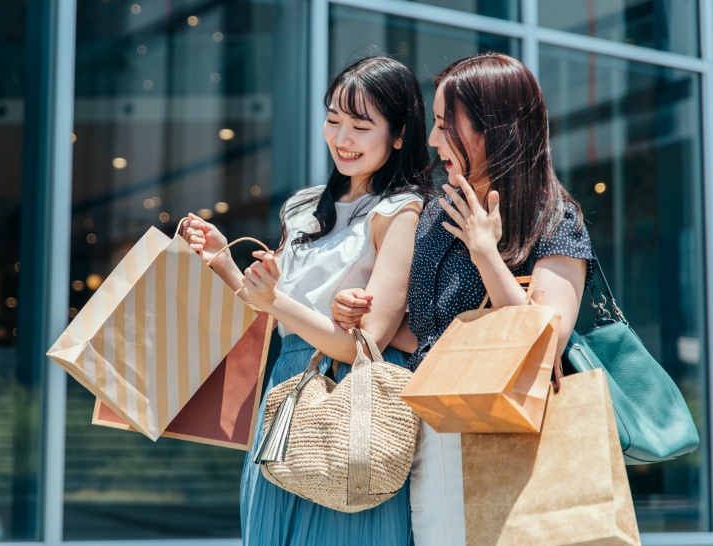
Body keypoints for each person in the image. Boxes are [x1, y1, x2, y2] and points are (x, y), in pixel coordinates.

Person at [331, 52, 597, 545]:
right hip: (433, 433)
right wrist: (355, 311)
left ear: (494, 129)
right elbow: (428, 335)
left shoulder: (552, 216)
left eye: (444, 125)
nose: (432, 141)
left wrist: (485, 253)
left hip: (512, 441)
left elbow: (546, 339)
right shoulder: (437, 212)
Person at [181, 56, 433, 545]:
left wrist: (274, 301)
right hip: (286, 391)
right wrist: (224, 261)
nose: (342, 139)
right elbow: (271, 310)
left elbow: (366, 342)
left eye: (361, 126)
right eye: (334, 120)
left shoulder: (401, 210)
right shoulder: (303, 206)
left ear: (399, 135)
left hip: (353, 399)